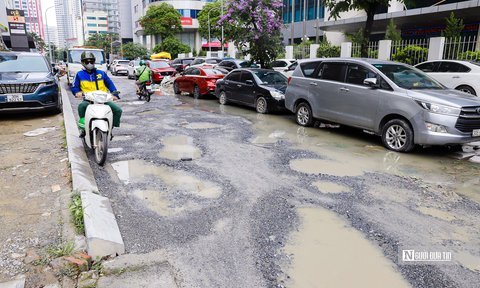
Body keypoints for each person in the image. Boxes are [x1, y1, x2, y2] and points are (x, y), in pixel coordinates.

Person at [71, 52, 122, 138]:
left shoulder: (101, 73)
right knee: (82, 106)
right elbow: (74, 87)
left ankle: (110, 128)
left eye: (91, 61)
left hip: (103, 99)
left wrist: (115, 93)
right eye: (87, 62)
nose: (89, 64)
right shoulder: (79, 74)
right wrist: (77, 93)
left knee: (117, 110)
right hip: (89, 100)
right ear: (83, 63)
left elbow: (110, 84)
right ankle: (84, 129)